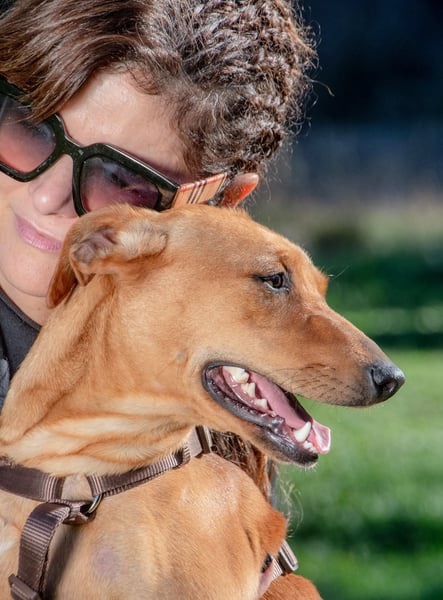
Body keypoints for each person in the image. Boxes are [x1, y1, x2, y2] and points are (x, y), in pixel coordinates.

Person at [0, 0, 315, 495]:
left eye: (122, 178)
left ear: (221, 201)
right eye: (32, 128)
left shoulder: (223, 414)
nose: (46, 195)